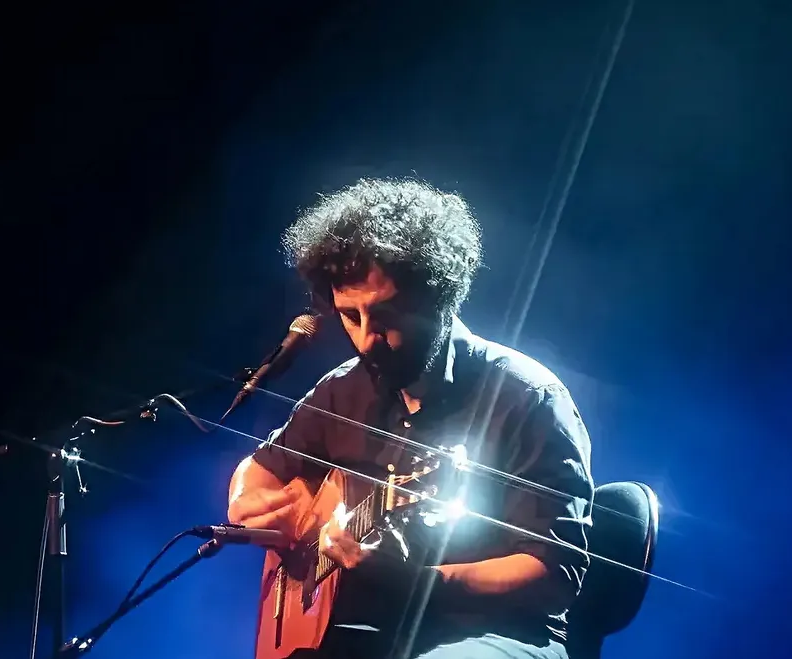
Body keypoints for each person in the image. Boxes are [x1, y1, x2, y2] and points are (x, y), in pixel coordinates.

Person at [227, 177, 594, 659]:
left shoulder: (529, 398)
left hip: (494, 633)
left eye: (386, 318)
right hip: (368, 624)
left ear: (439, 301)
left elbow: (555, 576)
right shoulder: (343, 389)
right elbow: (260, 468)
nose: (366, 340)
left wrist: (422, 583)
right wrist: (248, 500)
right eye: (349, 317)